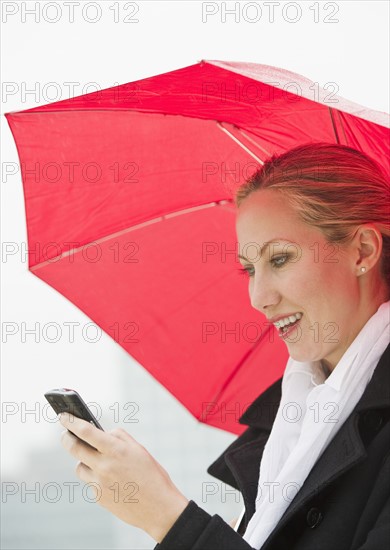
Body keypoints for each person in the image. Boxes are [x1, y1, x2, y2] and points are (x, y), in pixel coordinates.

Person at [59, 142, 390, 549]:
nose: (259, 296)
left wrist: (169, 518)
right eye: (249, 269)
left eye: (280, 259)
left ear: (363, 250)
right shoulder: (288, 431)